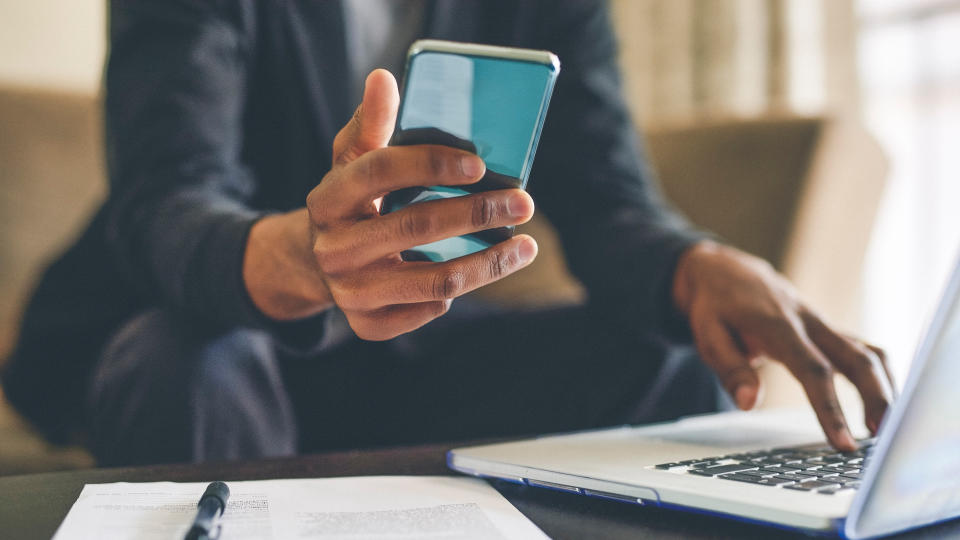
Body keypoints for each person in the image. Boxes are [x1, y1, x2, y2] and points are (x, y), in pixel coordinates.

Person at [2, 0, 895, 466]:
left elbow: (609, 199)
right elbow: (167, 200)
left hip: (405, 356)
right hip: (208, 329)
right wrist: (309, 261)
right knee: (190, 364)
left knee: (672, 360)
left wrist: (697, 266)